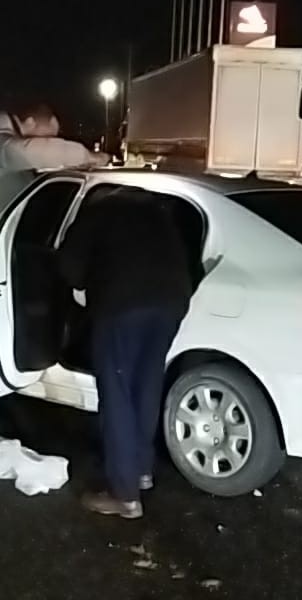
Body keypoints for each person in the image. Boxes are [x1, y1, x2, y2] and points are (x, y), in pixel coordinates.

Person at [0, 104, 107, 437]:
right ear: (30, 123)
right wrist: (85, 155)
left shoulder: (11, 143)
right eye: (51, 134)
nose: (52, 141)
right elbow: (25, 152)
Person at [58, 187, 193, 519]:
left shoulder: (94, 215)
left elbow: (68, 268)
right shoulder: (159, 214)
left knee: (116, 393)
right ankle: (142, 470)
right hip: (171, 302)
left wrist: (87, 282)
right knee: (146, 385)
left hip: (122, 306)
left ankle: (124, 494)